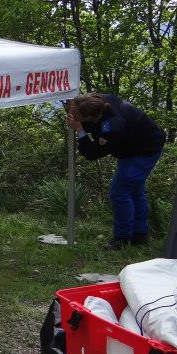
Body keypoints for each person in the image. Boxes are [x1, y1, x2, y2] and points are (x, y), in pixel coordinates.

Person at [65, 93, 165, 250]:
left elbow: (93, 153)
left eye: (76, 115)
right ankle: (139, 235)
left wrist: (80, 130)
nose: (72, 115)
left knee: (119, 192)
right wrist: (75, 112)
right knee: (134, 191)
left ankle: (122, 238)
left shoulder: (112, 128)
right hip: (136, 142)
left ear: (90, 115)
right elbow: (91, 123)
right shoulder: (101, 100)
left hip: (144, 150)